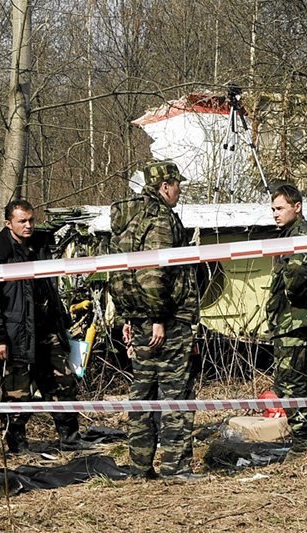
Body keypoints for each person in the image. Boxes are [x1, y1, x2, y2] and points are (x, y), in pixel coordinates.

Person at [110, 159, 200, 481]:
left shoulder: (130, 218)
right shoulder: (159, 218)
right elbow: (152, 273)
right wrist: (159, 318)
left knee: (143, 393)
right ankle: (176, 467)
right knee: (176, 394)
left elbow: (119, 271)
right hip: (166, 321)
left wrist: (127, 316)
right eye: (177, 185)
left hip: (138, 318)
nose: (179, 191)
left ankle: (139, 466)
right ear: (165, 186)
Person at [0, 199, 85, 454]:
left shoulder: (40, 247)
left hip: (47, 330)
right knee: (17, 392)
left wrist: (61, 322)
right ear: (8, 223)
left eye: (31, 220)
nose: (28, 225)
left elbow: (50, 289)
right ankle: (17, 447)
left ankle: (70, 440)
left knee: (63, 384)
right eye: (22, 221)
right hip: (15, 335)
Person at [266, 183, 307, 450]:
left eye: (280, 208)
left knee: (291, 383)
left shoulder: (301, 235)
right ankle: (306, 435)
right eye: (273, 209)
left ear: (297, 207)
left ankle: (304, 442)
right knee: (287, 382)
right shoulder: (289, 235)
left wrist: (288, 294)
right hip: (287, 320)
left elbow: (297, 276)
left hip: (297, 321)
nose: (275, 214)